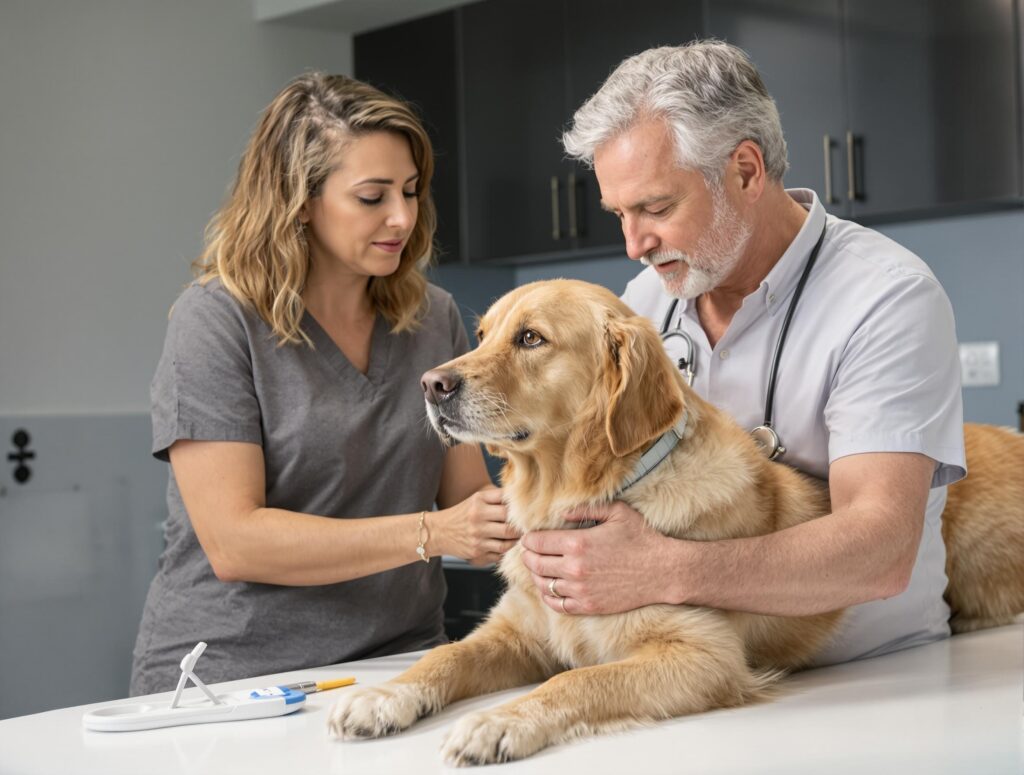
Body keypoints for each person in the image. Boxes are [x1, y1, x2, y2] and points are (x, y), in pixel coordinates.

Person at [521, 41, 965, 666]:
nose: (633, 244)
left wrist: (665, 569)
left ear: (747, 171)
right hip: (686, 674)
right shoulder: (646, 301)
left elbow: (880, 550)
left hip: (865, 680)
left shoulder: (886, 298)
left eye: (656, 207)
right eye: (618, 213)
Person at [130, 73, 517, 695]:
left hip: (399, 663)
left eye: (412, 191)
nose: (401, 216)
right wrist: (434, 535)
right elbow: (235, 543)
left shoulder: (433, 317)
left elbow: (468, 502)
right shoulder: (217, 321)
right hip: (234, 680)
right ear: (300, 200)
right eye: (372, 197)